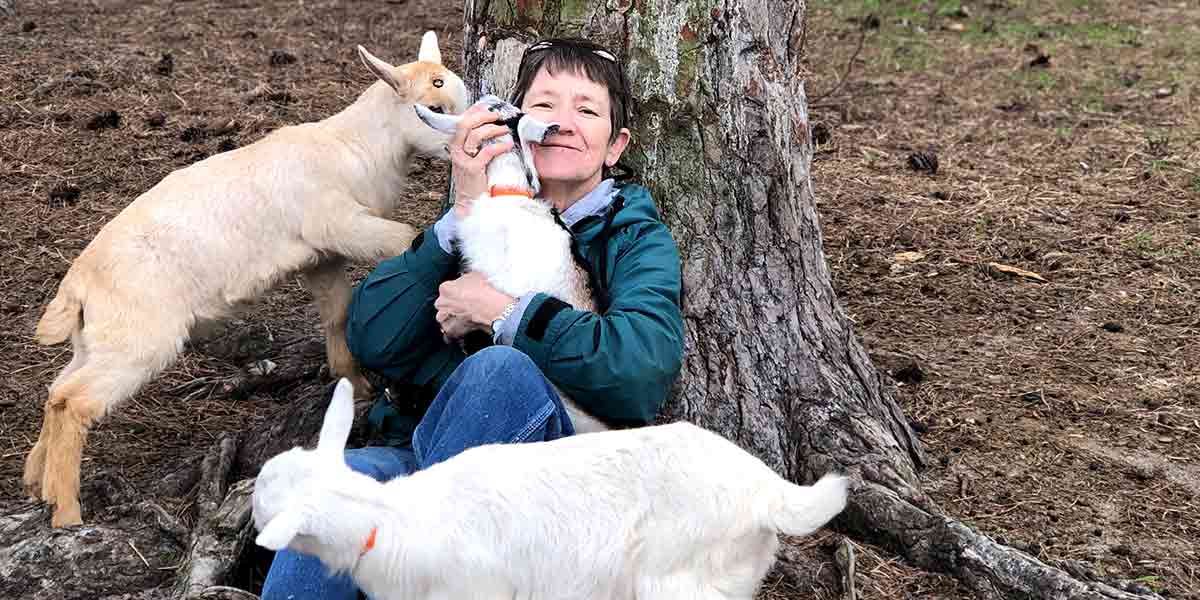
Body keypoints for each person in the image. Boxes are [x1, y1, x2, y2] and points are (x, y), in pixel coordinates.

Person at [259, 37, 685, 599]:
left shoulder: (630, 234)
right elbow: (373, 337)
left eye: (586, 110)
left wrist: (506, 314)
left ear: (614, 145)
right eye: (544, 105)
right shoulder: (477, 210)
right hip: (434, 456)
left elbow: (639, 368)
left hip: (558, 470)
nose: (562, 122)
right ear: (514, 124)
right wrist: (457, 218)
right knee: (330, 493)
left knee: (500, 372)